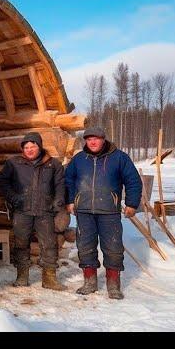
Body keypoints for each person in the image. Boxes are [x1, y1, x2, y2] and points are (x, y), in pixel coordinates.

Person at [64, 126, 142, 300]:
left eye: (96, 138)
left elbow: (133, 181)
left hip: (109, 211)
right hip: (83, 211)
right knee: (85, 246)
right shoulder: (78, 159)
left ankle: (113, 285)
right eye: (89, 139)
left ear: (103, 139)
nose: (92, 142)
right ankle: (90, 282)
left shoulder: (119, 157)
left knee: (113, 247)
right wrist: (70, 200)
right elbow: (68, 180)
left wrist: (131, 203)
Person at [0, 132, 67, 290]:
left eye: (32, 146)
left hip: (45, 211)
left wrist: (58, 202)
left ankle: (49, 279)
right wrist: (12, 197)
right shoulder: (13, 163)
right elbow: (2, 181)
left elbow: (60, 185)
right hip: (22, 211)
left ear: (39, 146)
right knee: (21, 243)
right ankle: (22, 276)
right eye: (26, 147)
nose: (29, 149)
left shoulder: (53, 164)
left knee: (49, 244)